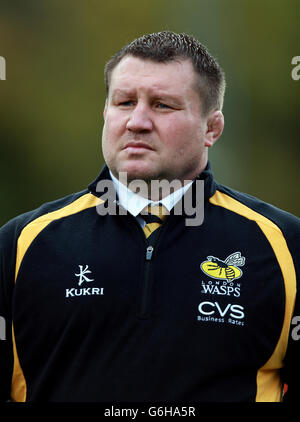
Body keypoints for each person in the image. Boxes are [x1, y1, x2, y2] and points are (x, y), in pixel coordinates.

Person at [0, 31, 299, 403]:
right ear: (105, 113)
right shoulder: (19, 244)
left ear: (212, 128)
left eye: (162, 105)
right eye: (124, 102)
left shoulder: (285, 244)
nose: (137, 122)